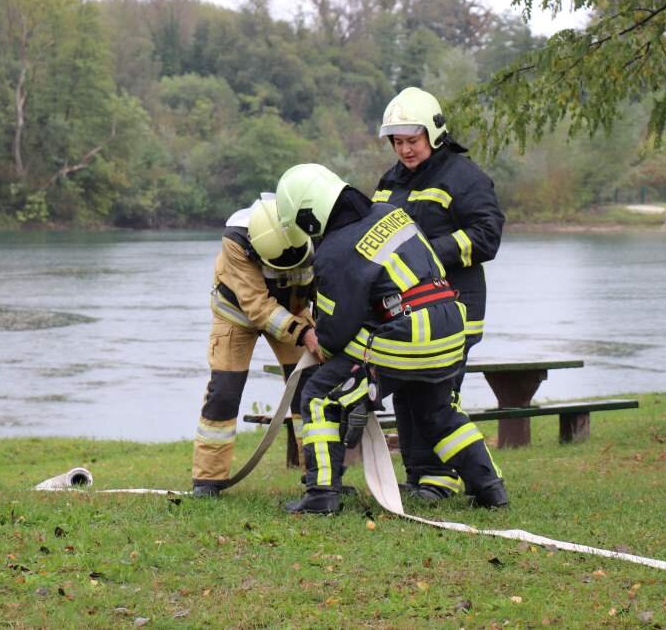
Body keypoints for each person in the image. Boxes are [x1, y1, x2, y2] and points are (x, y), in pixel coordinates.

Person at [274, 163, 509, 514]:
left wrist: (318, 340)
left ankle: (321, 494)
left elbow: (336, 331)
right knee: (438, 410)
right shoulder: (390, 213)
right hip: (449, 323)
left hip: (407, 334)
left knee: (319, 394)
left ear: (310, 216)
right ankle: (489, 487)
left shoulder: (334, 250)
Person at [372, 87, 505, 502]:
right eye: (398, 142)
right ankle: (422, 476)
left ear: (434, 134)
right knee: (409, 391)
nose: (405, 150)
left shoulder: (464, 178)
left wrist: (426, 255)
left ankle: (447, 476)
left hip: (455, 307)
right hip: (407, 309)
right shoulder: (390, 181)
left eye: (412, 141)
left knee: (437, 395)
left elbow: (487, 236)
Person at [191, 197, 322, 497]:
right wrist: (304, 334)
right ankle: (208, 481)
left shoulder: (314, 231)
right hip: (236, 315)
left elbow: (325, 284)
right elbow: (257, 306)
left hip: (294, 311)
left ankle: (318, 475)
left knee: (310, 389)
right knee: (224, 390)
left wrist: (326, 328)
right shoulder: (236, 240)